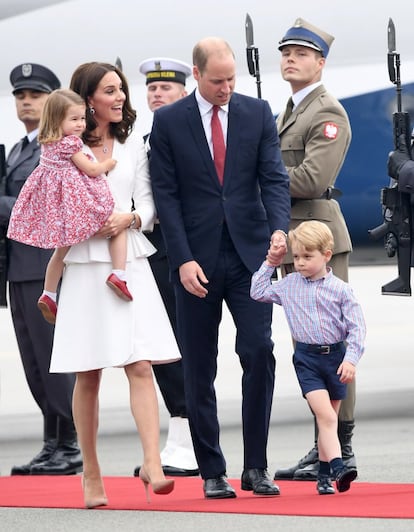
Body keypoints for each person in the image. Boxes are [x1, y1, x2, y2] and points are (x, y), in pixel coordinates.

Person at [150, 37, 290, 499]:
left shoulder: (256, 112)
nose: (226, 87)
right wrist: (183, 257)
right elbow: (166, 196)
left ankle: (257, 466)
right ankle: (212, 469)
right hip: (195, 261)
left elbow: (272, 177)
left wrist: (278, 230)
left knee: (258, 353)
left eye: (231, 79)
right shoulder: (169, 121)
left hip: (252, 257)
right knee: (198, 365)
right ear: (196, 74)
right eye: (217, 81)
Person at [49, 61, 181, 508]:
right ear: (88, 100)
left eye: (121, 89)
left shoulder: (130, 145)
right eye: (111, 90)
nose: (121, 96)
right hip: (85, 264)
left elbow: (147, 202)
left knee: (140, 365)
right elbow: (51, 202)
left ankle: (153, 463)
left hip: (129, 260)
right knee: (87, 375)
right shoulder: (64, 147)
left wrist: (131, 218)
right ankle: (90, 472)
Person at [274, 18, 357, 482]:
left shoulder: (327, 113)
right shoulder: (288, 111)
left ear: (320, 63)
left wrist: (262, 178)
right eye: (286, 52)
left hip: (319, 244)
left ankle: (343, 449)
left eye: (301, 53)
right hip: (294, 245)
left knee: (334, 348)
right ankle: (324, 450)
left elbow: (311, 180)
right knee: (308, 350)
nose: (291, 59)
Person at [0, 63, 82, 476]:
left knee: (52, 356)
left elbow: (45, 205)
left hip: (44, 262)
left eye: (34, 94)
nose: (26, 101)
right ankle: (53, 442)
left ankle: (70, 442)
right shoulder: (17, 149)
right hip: (18, 265)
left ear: (53, 99)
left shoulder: (58, 147)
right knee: (33, 360)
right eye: (19, 95)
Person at [251, 220, 365, 495]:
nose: (300, 263)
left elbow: (356, 328)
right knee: (325, 415)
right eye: (297, 256)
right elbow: (257, 291)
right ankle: (340, 467)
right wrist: (271, 261)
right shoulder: (289, 285)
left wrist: (350, 359)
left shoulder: (341, 290)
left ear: (326, 255)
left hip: (336, 357)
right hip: (307, 359)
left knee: (329, 420)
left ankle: (323, 478)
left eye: (307, 257)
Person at [7, 88, 132, 325]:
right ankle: (119, 273)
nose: (80, 125)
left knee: (60, 253)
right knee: (115, 222)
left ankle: (49, 293)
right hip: (76, 203)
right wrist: (109, 162)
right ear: (57, 120)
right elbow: (92, 170)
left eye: (83, 118)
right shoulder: (71, 144)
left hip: (58, 210)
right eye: (74, 119)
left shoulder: (47, 144)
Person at [132, 57, 198, 477]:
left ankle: (189, 438)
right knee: (160, 345)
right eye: (153, 89)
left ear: (184, 92)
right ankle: (180, 434)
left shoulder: (189, 136)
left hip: (181, 250)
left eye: (166, 88)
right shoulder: (141, 139)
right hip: (150, 250)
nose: (157, 94)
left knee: (182, 342)